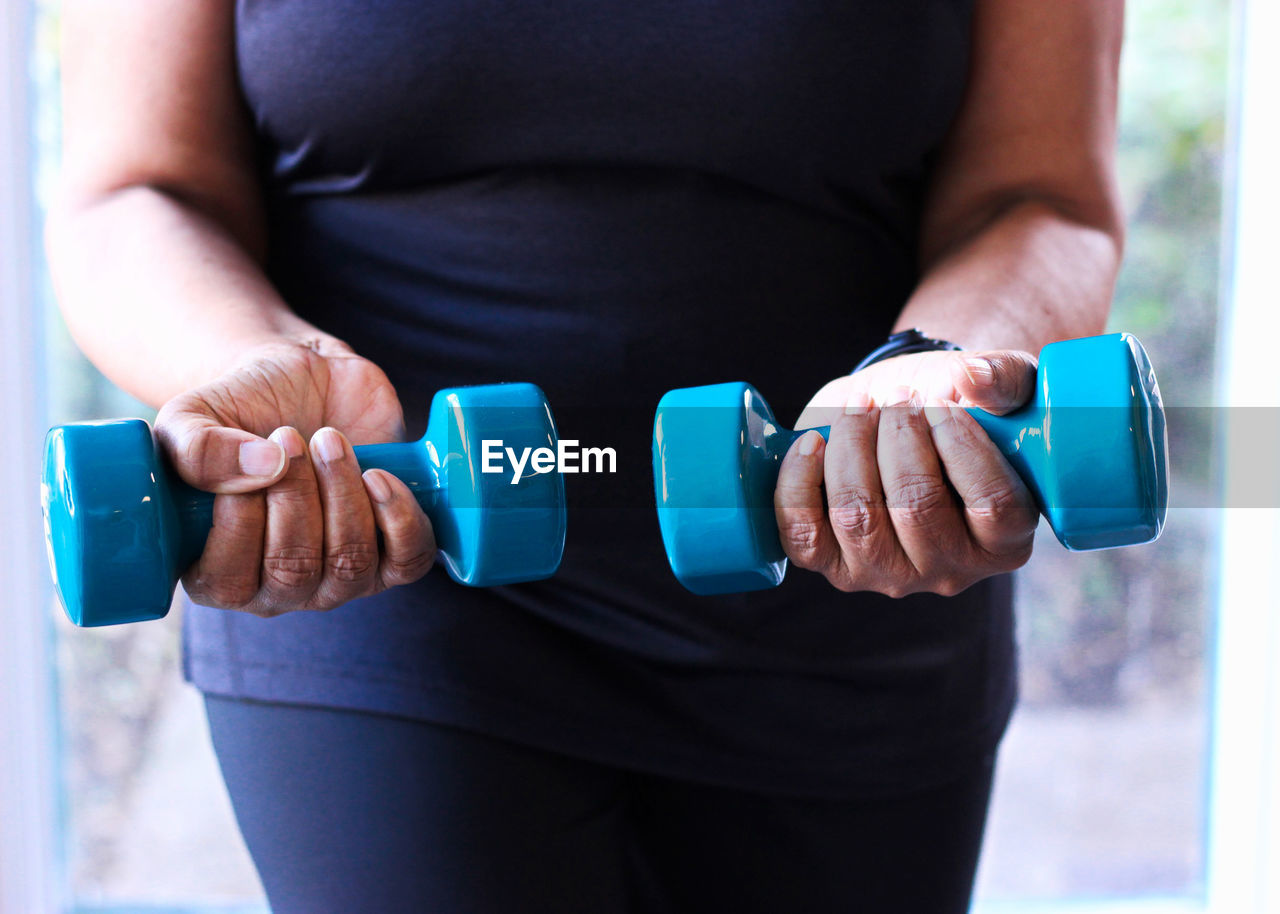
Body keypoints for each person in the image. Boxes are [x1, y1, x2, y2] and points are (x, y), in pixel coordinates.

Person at [48, 1, 1124, 911]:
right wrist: (258, 368)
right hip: (385, 563)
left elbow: (1041, 194)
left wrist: (932, 369)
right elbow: (135, 187)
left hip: (852, 550)